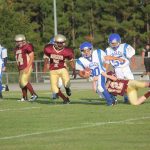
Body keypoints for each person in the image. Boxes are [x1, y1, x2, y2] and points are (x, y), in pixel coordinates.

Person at [76, 42, 124, 106]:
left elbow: (106, 57)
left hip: (101, 73)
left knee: (101, 87)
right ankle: (113, 98)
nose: (86, 52)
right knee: (99, 92)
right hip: (93, 77)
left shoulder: (98, 52)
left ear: (91, 49)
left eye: (88, 50)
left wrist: (117, 58)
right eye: (84, 51)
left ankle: (110, 103)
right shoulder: (80, 60)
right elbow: (80, 73)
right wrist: (84, 75)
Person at [43, 34, 76, 104]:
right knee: (54, 89)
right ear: (55, 42)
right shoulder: (48, 48)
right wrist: (45, 65)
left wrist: (74, 69)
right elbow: (46, 57)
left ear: (64, 43)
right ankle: (65, 99)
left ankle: (67, 88)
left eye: (61, 43)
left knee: (67, 83)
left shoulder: (67, 51)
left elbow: (71, 61)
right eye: (58, 43)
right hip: (53, 70)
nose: (60, 44)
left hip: (62, 69)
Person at [105, 33, 136, 103]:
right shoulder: (108, 50)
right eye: (112, 44)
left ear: (119, 41)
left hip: (126, 68)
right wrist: (105, 71)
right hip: (117, 68)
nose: (114, 45)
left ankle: (129, 96)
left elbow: (132, 56)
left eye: (115, 43)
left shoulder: (124, 46)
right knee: (121, 84)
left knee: (131, 82)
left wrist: (134, 64)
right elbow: (107, 62)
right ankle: (126, 97)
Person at [14, 34, 38, 102]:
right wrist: (18, 68)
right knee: (21, 83)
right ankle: (24, 97)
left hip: (27, 66)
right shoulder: (16, 48)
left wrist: (28, 67)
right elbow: (17, 59)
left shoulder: (28, 46)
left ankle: (34, 95)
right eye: (17, 41)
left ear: (23, 41)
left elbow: (32, 57)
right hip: (21, 67)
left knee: (24, 81)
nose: (18, 43)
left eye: (19, 41)